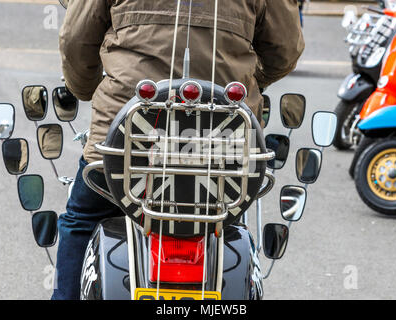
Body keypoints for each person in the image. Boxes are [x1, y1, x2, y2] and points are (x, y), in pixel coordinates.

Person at [53, 0, 304, 300]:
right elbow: (285, 49)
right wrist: (245, 82)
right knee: (226, 224)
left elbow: (75, 40)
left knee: (81, 219)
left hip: (127, 139)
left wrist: (84, 87)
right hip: (223, 142)